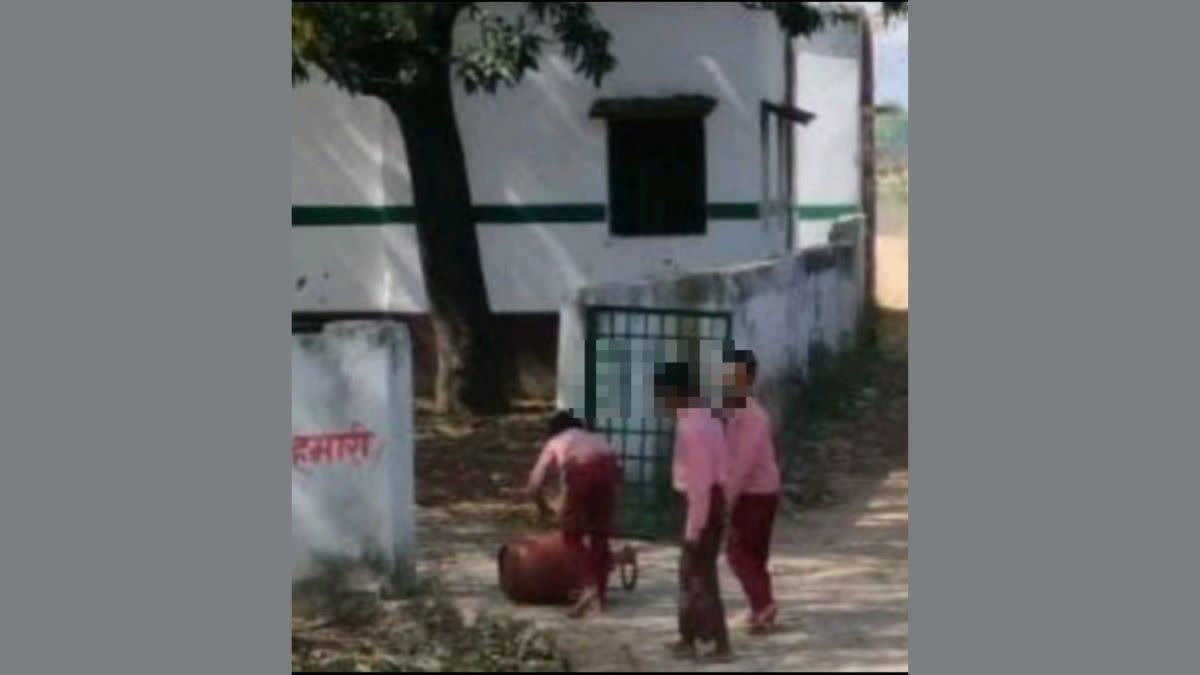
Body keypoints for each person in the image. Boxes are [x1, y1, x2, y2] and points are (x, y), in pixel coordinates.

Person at [657, 362, 733, 662]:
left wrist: (694, 527)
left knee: (698, 575)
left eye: (666, 394)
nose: (664, 401)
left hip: (702, 503)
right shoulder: (707, 418)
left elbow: (699, 483)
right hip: (712, 500)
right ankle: (688, 637)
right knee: (694, 574)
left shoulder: (692, 427)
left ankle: (717, 641)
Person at [524, 410, 620, 618]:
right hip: (610, 469)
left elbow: (534, 484)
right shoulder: (594, 438)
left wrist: (543, 508)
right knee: (600, 537)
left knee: (571, 536)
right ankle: (599, 599)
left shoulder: (556, 441)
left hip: (582, 470)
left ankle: (588, 587)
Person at [721, 348, 781, 633]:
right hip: (761, 489)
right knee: (755, 553)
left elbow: (743, 461)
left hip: (754, 492)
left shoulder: (750, 414)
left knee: (738, 552)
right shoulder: (740, 410)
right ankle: (761, 606)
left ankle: (763, 603)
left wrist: (727, 498)